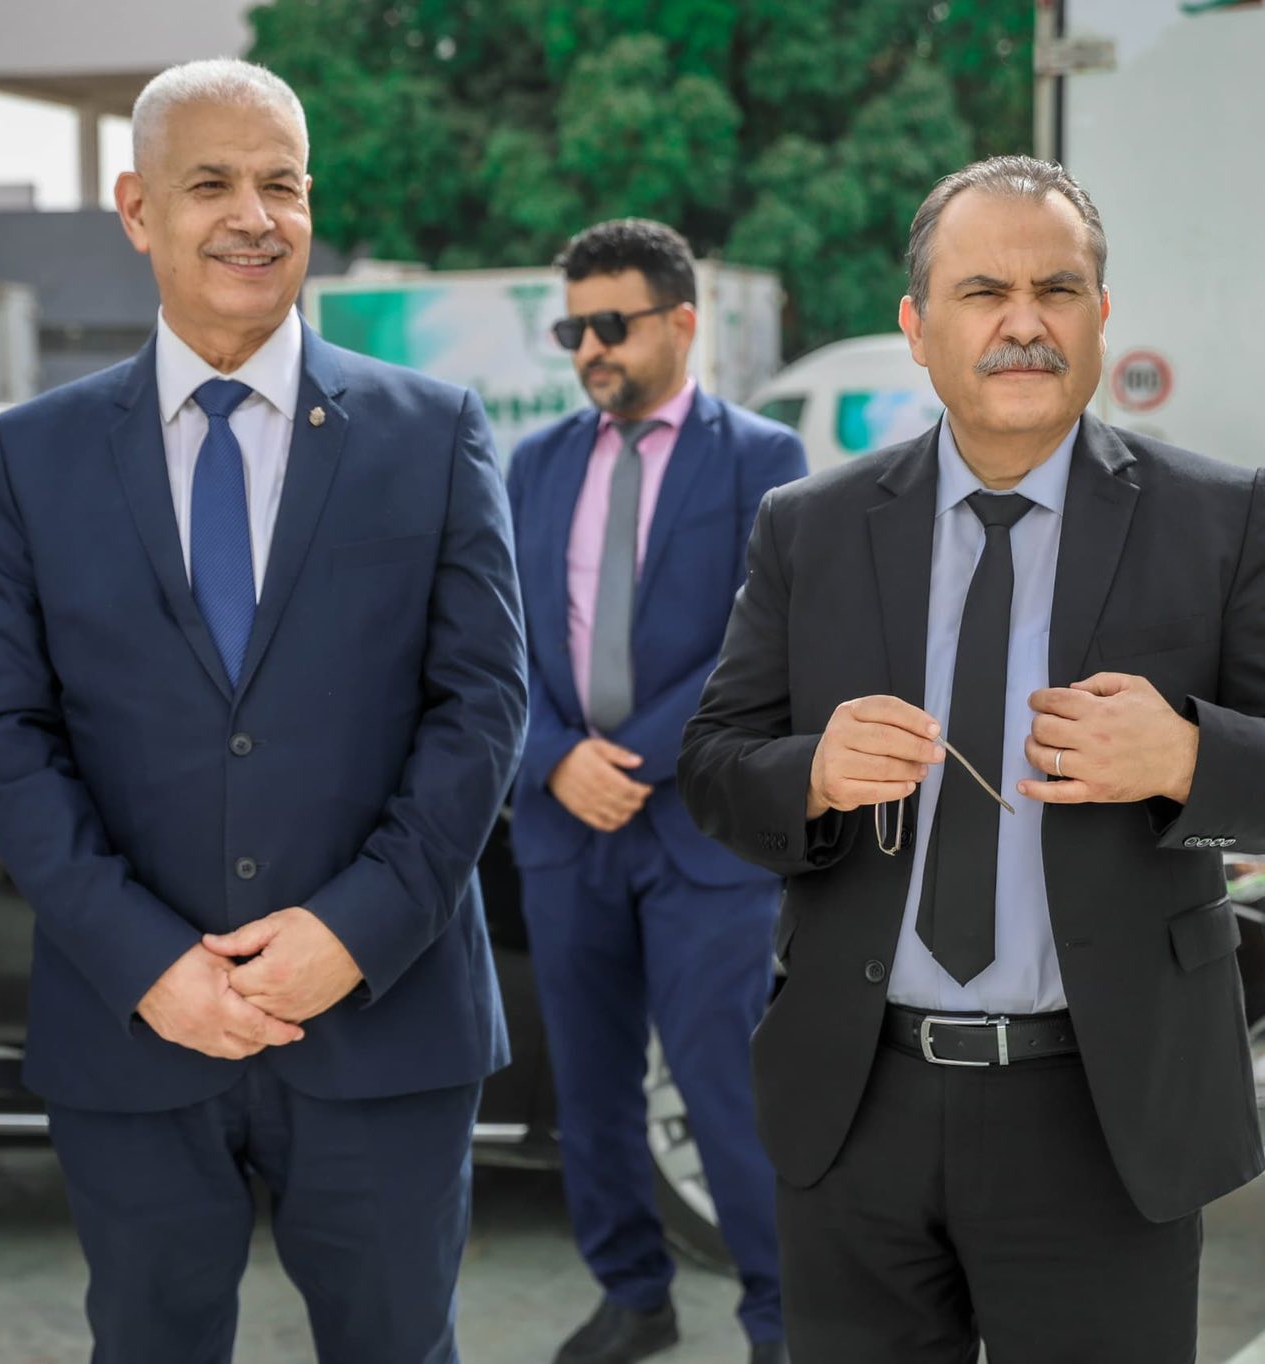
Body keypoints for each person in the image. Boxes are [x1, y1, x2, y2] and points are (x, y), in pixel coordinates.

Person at [677, 156, 1265, 1363]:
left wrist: (1185, 753)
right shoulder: (811, 527)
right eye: (981, 291)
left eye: (1055, 289)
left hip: (1103, 1110)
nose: (1021, 321)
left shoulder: (1215, 518)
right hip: (856, 1106)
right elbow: (712, 765)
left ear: (1098, 316)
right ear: (915, 328)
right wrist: (813, 774)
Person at [0, 59, 526, 1364]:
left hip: (385, 1021)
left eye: (283, 184)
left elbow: (483, 706)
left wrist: (350, 932)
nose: (254, 217)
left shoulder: (431, 431)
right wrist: (149, 962)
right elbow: (4, 734)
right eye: (211, 183)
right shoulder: (33, 455)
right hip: (133, 1031)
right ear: (137, 207)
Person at [506, 219, 804, 1364]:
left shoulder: (759, 459)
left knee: (725, 1086)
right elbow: (496, 639)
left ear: (682, 321)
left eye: (611, 324)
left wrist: (625, 757)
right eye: (572, 328)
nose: (590, 347)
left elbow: (762, 638)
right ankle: (633, 1294)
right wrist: (552, 757)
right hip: (563, 825)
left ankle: (779, 1318)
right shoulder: (533, 465)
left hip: (701, 827)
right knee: (587, 1089)